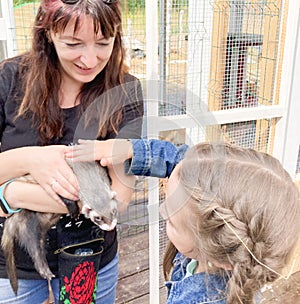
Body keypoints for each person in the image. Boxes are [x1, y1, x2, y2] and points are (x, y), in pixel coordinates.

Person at [0, 0, 143, 303]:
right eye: (73, 43)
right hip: (13, 255)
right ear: (49, 32)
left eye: (103, 43)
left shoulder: (125, 91)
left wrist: (10, 195)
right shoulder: (9, 79)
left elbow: (121, 196)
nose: (90, 59)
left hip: (90, 255)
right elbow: (106, 200)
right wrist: (31, 159)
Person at [67, 139, 300, 303]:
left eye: (172, 220)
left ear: (212, 247)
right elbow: (179, 161)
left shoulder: (200, 299)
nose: (163, 212)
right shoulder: (227, 237)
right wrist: (128, 149)